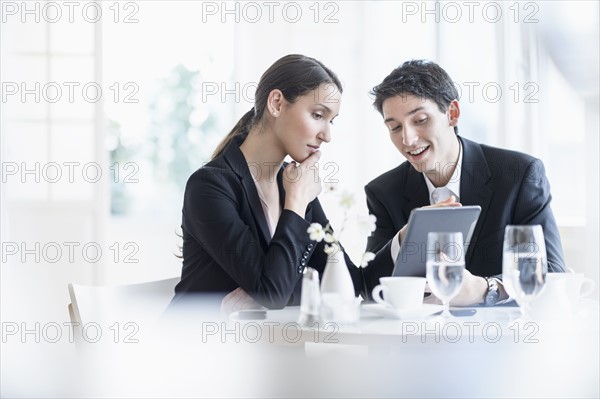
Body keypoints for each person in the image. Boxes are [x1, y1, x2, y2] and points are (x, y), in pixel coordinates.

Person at [173, 54, 382, 311]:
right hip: (196, 345)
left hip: (265, 345)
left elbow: (346, 282)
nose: (326, 135)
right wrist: (294, 204)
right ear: (276, 103)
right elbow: (273, 294)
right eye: (318, 115)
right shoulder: (210, 186)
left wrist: (276, 290)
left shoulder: (293, 183)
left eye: (331, 121)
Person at [365, 60, 566, 307]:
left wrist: (487, 289)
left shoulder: (519, 175)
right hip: (419, 340)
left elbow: (553, 272)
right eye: (395, 127)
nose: (407, 139)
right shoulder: (384, 192)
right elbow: (369, 287)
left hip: (504, 339)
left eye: (420, 120)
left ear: (452, 114)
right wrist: (401, 240)